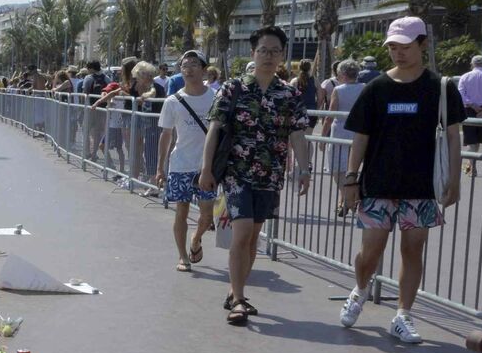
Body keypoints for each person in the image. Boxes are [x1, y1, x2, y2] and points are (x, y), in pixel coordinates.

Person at [337, 17, 465, 343]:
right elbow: (360, 137)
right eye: (393, 47)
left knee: (413, 251)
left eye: (405, 47)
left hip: (420, 187)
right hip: (378, 184)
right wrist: (351, 180)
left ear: (423, 44)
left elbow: (453, 137)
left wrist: (455, 180)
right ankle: (360, 289)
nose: (398, 53)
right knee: (370, 253)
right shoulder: (376, 88)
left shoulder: (441, 88)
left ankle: (403, 314)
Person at [200, 26, 314, 326]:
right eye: (263, 50)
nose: (268, 56)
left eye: (274, 51)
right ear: (253, 53)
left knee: (252, 237)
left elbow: (299, 135)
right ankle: (238, 300)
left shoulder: (289, 94)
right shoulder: (233, 88)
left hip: (271, 174)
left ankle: (234, 290)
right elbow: (214, 130)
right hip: (236, 173)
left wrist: (305, 170)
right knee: (242, 232)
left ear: (282, 56)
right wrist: (206, 169)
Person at [157, 50, 220, 272]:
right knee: (181, 211)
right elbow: (166, 135)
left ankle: (196, 239)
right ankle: (183, 256)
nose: (189, 68)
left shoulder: (215, 97)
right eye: (185, 64)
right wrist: (160, 167)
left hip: (207, 166)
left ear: (204, 69)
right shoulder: (173, 101)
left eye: (194, 64)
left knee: (206, 215)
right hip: (181, 164)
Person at [325, 60, 366, 187]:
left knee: (338, 169)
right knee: (353, 168)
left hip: (340, 132)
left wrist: (322, 136)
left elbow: (330, 115)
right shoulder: (364, 88)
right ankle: (344, 202)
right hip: (359, 132)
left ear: (342, 74)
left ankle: (347, 199)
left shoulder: (338, 90)